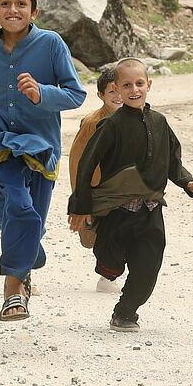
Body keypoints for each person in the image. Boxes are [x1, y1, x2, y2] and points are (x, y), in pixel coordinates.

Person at [0, 0, 86, 322]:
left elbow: (76, 93)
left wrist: (41, 93)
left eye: (20, 4)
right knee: (16, 206)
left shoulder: (51, 44)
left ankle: (29, 253)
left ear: (34, 11)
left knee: (32, 218)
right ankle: (12, 293)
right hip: (1, 142)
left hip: (42, 146)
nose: (12, 10)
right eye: (5, 4)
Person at [68, 58, 193, 332]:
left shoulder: (159, 121)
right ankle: (108, 268)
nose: (134, 90)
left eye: (139, 84)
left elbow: (172, 160)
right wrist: (80, 205)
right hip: (117, 210)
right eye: (127, 85)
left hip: (150, 209)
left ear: (149, 85)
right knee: (109, 257)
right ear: (117, 90)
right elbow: (86, 164)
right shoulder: (111, 126)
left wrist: (187, 182)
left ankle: (125, 312)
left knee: (148, 266)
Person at [67, 66, 123, 293]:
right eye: (112, 92)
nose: (119, 96)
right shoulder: (92, 123)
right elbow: (78, 162)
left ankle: (113, 274)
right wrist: (81, 198)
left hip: (127, 190)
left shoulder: (138, 118)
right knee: (103, 234)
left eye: (123, 89)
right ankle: (107, 277)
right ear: (101, 95)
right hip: (99, 190)